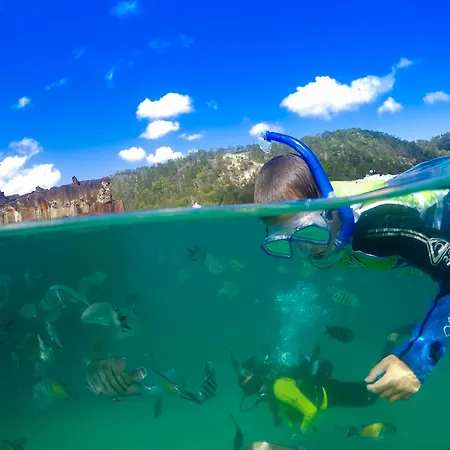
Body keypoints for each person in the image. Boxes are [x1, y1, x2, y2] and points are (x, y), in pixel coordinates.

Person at [253, 130, 450, 404]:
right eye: (286, 242)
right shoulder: (331, 225)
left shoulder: (377, 227)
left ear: (329, 209)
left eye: (308, 231)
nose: (306, 251)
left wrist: (416, 358)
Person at [230, 341, 398, 433]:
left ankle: (391, 346)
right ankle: (391, 358)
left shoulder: (279, 388)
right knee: (369, 389)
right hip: (327, 392)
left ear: (259, 381)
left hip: (330, 393)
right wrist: (292, 425)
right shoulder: (276, 389)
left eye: (254, 389)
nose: (258, 393)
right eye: (252, 392)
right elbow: (289, 406)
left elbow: (310, 410)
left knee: (371, 395)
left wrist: (304, 429)